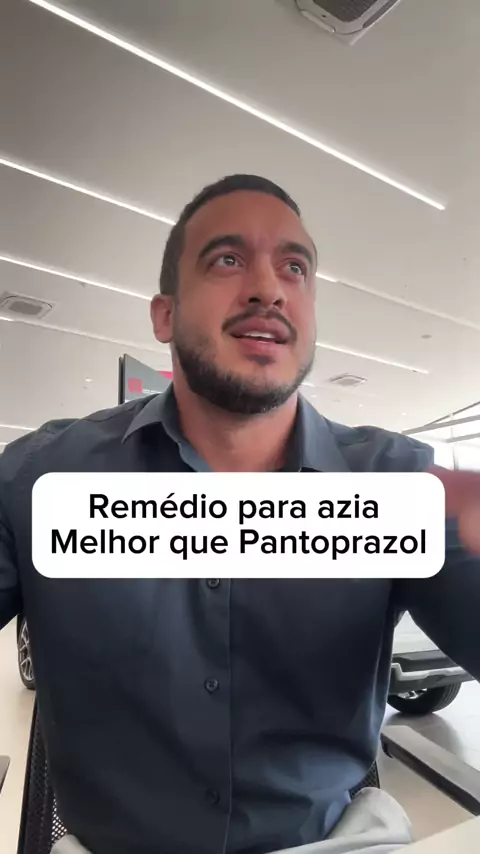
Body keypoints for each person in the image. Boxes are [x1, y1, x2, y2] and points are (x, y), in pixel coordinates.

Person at [0, 174, 479, 854]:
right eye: (227, 260)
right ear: (164, 316)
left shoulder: (400, 485)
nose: (268, 289)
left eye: (294, 267)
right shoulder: (40, 478)